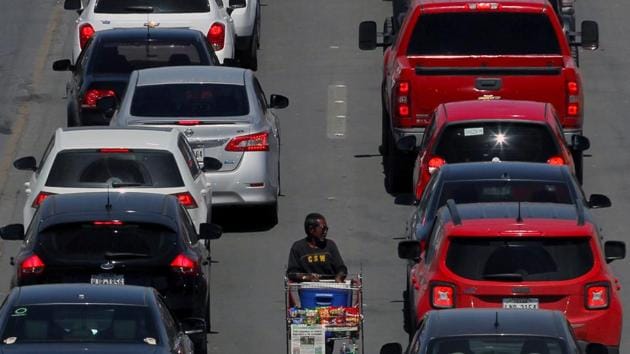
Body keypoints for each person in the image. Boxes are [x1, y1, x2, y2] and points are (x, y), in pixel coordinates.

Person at [287, 213, 347, 283]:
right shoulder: (298, 247)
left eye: (327, 229)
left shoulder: (330, 245)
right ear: (311, 229)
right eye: (323, 228)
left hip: (331, 288)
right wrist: (306, 277)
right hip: (308, 290)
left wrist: (339, 276)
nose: (325, 231)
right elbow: (292, 272)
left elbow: (341, 267)